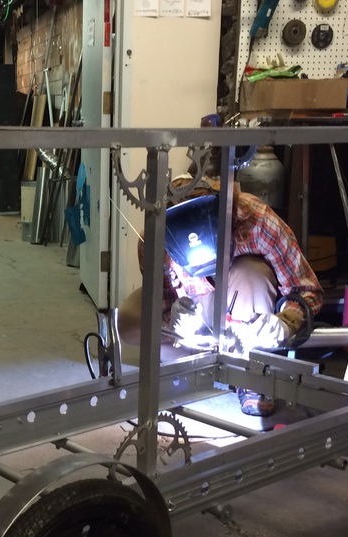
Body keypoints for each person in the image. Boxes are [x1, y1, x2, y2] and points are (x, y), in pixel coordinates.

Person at [117, 159, 323, 418]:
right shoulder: (154, 239)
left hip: (244, 303)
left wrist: (286, 322)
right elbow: (164, 298)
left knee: (253, 274)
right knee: (129, 321)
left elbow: (308, 289)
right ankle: (204, 359)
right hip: (200, 308)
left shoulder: (257, 219)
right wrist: (175, 316)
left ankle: (252, 372)